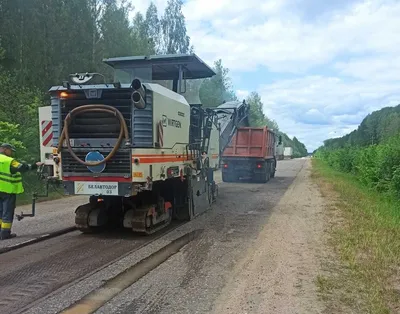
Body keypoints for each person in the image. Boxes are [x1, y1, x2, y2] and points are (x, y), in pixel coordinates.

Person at [0, 143, 43, 240]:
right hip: (7, 190)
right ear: (5, 149)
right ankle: (5, 233)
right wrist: (35, 165)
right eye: (11, 151)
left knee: (0, 212)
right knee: (7, 212)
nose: (11, 153)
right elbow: (22, 167)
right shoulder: (8, 161)